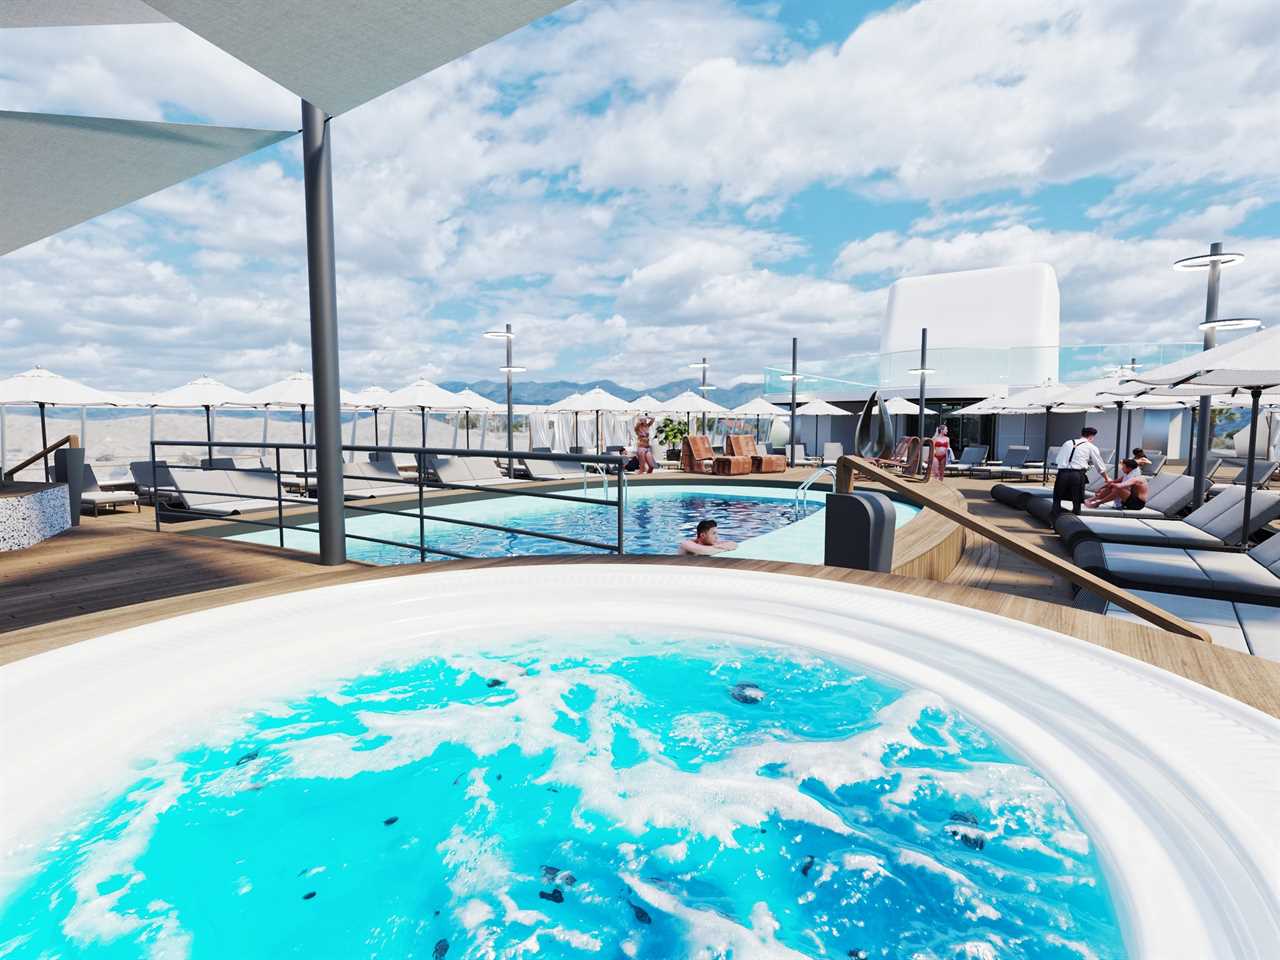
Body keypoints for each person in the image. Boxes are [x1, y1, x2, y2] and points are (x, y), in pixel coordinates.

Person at [1049, 426, 1110, 522]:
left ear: (1081, 434)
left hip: (1062, 473)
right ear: (1092, 436)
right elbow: (1099, 466)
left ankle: (1053, 522)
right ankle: (1074, 523)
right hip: (1077, 475)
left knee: (1057, 498)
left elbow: (1058, 460)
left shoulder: (1068, 442)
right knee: (1076, 500)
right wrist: (1107, 478)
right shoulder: (1091, 447)